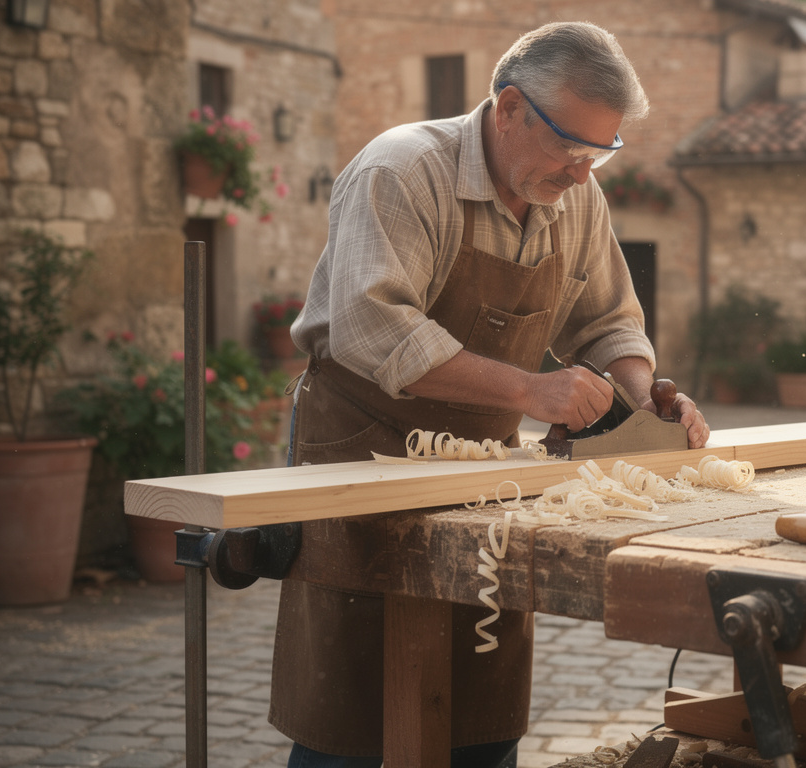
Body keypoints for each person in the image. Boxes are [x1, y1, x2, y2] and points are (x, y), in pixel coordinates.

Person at [268, 21, 710, 768]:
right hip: (362, 456)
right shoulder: (403, 172)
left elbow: (607, 319)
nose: (581, 174)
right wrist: (533, 389)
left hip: (485, 480)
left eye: (600, 154)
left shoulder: (577, 198)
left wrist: (646, 404)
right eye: (571, 148)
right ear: (509, 108)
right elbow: (376, 331)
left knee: (480, 703)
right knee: (350, 711)